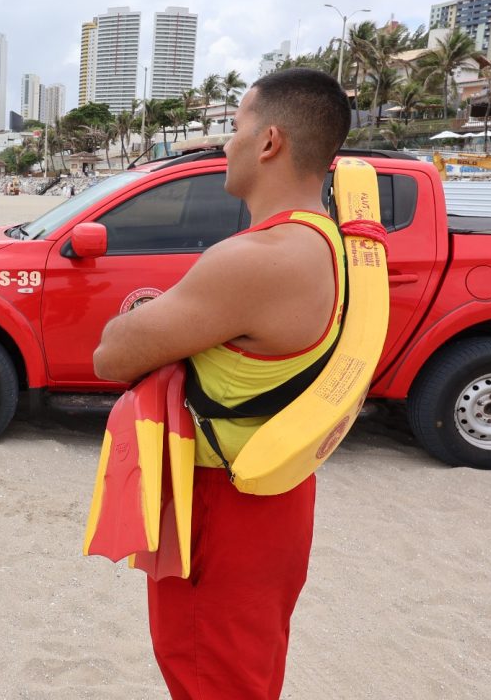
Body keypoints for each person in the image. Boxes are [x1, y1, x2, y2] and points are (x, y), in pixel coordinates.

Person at [92, 68, 352, 700]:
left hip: (223, 504)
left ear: (269, 142)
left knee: (210, 674)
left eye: (233, 127)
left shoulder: (258, 258)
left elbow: (110, 356)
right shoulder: (331, 244)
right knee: (246, 668)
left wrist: (139, 315)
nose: (222, 144)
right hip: (278, 492)